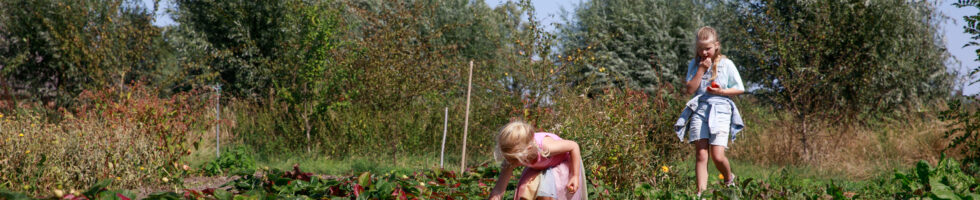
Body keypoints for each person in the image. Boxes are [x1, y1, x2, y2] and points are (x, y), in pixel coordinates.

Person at [674, 26, 746, 197]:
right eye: (700, 49)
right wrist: (700, 70)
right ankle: (701, 193)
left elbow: (740, 88)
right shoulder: (694, 64)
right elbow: (690, 89)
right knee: (701, 152)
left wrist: (721, 91)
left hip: (720, 109)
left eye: (708, 48)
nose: (704, 52)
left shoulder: (726, 64)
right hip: (699, 108)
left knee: (717, 155)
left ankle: (729, 178)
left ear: (716, 46)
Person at [489, 120, 587, 200]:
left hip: (562, 164)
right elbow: (499, 189)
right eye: (509, 159)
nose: (512, 162)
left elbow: (574, 146)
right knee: (525, 192)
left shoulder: (547, 147)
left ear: (528, 149)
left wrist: (574, 175)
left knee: (546, 194)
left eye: (515, 159)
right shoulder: (512, 158)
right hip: (540, 167)